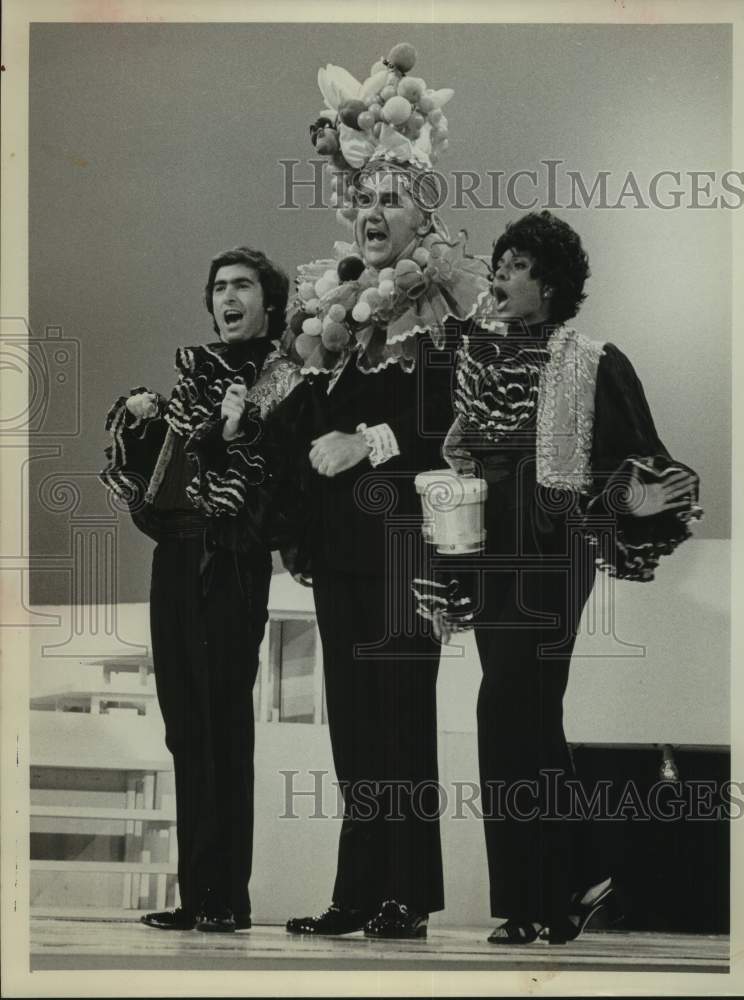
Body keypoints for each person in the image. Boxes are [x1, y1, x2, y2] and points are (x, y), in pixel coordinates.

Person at [414, 211, 702, 945]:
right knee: (513, 718)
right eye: (499, 264)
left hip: (551, 548)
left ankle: (562, 884)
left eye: (515, 266)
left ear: (549, 283)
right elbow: (460, 458)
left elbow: (636, 463)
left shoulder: (593, 359)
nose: (500, 277)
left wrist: (634, 498)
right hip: (488, 548)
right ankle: (556, 888)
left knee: (519, 702)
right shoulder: (477, 358)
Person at [272, 45, 490, 939]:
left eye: (389, 200)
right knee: (354, 727)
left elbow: (454, 424)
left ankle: (406, 892)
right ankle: (355, 891)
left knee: (402, 719)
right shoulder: (336, 307)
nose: (371, 212)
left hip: (405, 547)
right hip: (341, 551)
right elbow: (305, 427)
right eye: (362, 199)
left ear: (421, 215)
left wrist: (364, 441)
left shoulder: (439, 305)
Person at [101, 246, 298, 933]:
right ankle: (198, 895)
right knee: (186, 726)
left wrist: (237, 432)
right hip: (177, 559)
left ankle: (226, 898)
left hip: (230, 559)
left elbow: (267, 477)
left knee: (221, 724)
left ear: (269, 304)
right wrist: (143, 417)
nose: (227, 297)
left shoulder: (280, 378)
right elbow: (167, 473)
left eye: (242, 285)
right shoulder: (197, 375)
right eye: (219, 287)